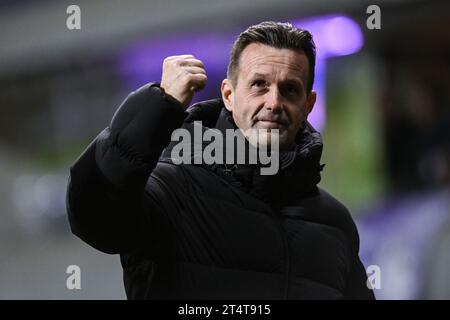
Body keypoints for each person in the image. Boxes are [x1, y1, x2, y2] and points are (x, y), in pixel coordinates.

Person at [66, 21, 375, 299]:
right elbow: (95, 215)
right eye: (259, 85)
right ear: (228, 95)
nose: (274, 102)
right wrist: (158, 105)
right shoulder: (172, 190)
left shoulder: (334, 223)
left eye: (289, 90)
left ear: (308, 104)